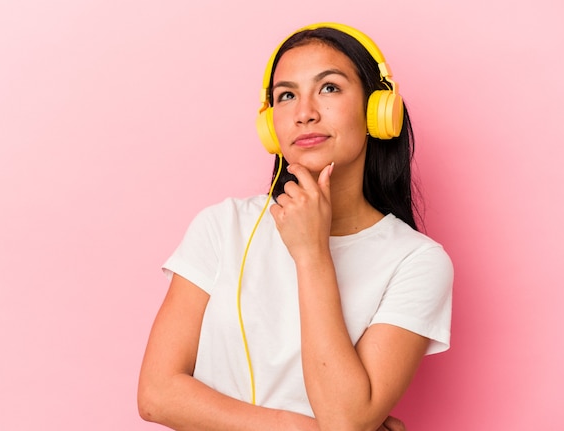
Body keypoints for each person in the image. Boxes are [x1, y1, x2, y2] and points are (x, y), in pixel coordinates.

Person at [138, 22, 453, 431]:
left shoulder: (417, 262)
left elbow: (347, 420)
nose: (304, 113)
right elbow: (157, 395)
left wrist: (312, 254)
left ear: (378, 111)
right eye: (286, 95)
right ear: (271, 125)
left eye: (329, 88)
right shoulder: (224, 225)